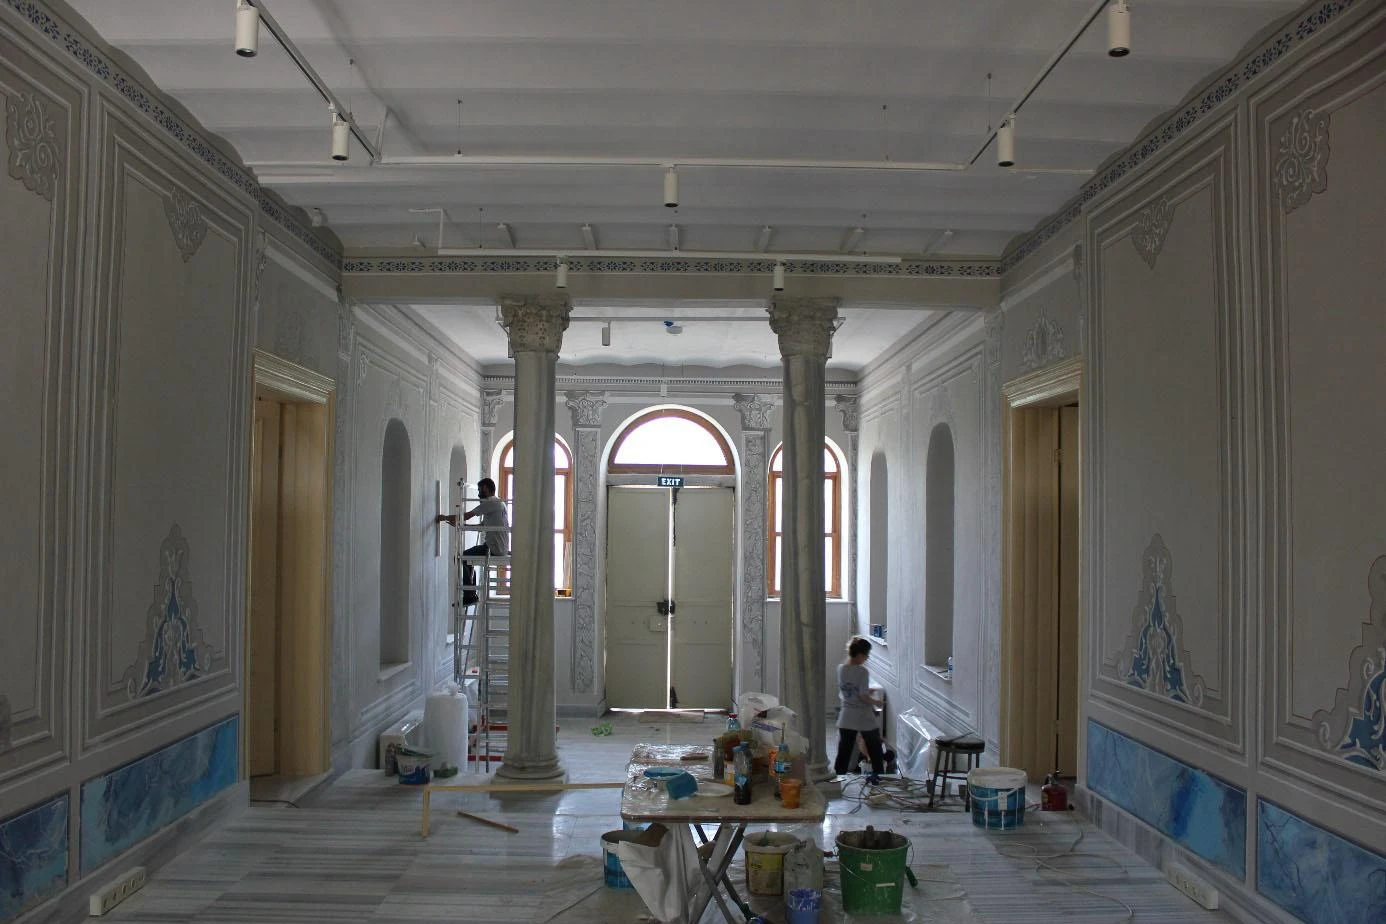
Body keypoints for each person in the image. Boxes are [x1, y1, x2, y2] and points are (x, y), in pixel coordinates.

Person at [835, 636, 887, 781]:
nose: (866, 658)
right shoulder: (862, 672)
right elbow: (863, 697)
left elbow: (850, 690)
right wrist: (877, 702)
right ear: (859, 654)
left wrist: (865, 692)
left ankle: (839, 779)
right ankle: (878, 778)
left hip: (846, 716)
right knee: (875, 750)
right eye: (866, 655)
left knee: (844, 752)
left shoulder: (841, 669)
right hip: (863, 716)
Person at [461, 478, 509, 606]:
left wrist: (446, 518)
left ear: (485, 488)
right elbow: (482, 526)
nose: (478, 494)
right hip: (500, 547)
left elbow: (467, 515)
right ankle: (471, 594)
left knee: (463, 557)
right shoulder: (499, 503)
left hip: (493, 548)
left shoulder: (490, 502)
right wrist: (464, 526)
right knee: (468, 559)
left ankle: (470, 595)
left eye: (479, 490)